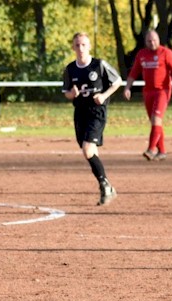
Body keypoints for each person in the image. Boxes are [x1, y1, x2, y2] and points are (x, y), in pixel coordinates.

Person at [62, 32, 122, 206]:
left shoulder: (99, 65)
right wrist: (71, 94)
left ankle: (104, 185)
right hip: (80, 112)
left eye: (83, 45)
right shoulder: (70, 68)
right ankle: (108, 187)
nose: (80, 48)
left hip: (96, 112)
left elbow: (117, 81)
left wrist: (104, 95)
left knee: (88, 149)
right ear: (73, 47)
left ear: (89, 47)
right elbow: (66, 91)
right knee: (90, 151)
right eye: (77, 45)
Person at [123, 29, 172, 161]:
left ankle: (151, 149)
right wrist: (127, 88)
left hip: (162, 91)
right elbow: (134, 72)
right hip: (148, 91)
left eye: (154, 40)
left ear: (159, 40)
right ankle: (162, 151)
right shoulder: (142, 54)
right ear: (145, 42)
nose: (152, 43)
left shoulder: (166, 53)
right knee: (155, 122)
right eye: (149, 41)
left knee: (156, 119)